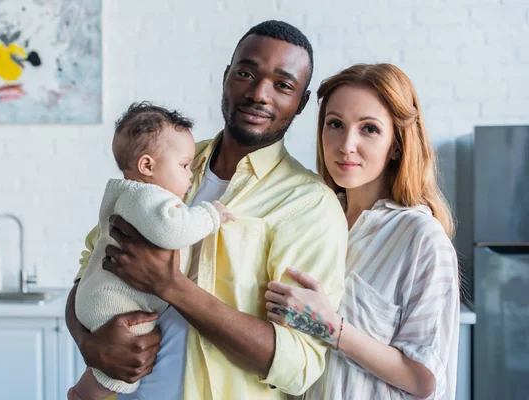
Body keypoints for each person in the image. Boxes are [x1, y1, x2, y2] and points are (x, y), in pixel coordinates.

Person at [66, 20, 349, 400]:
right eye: (246, 73)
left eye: (283, 85)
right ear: (226, 77)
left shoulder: (309, 204)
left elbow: (299, 365)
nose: (260, 94)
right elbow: (88, 267)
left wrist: (171, 286)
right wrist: (89, 343)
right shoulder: (167, 160)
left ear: (301, 101)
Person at [265, 63, 460, 399]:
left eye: (369, 129)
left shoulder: (420, 237)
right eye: (335, 124)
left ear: (397, 144)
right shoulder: (310, 219)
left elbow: (425, 379)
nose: (346, 144)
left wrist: (330, 326)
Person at [68, 102, 234, 400]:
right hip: (115, 303)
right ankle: (83, 395)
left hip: (101, 297)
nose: (191, 174)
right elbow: (174, 231)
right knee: (125, 365)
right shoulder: (147, 198)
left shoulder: (130, 194)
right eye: (184, 166)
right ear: (147, 166)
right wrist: (212, 215)